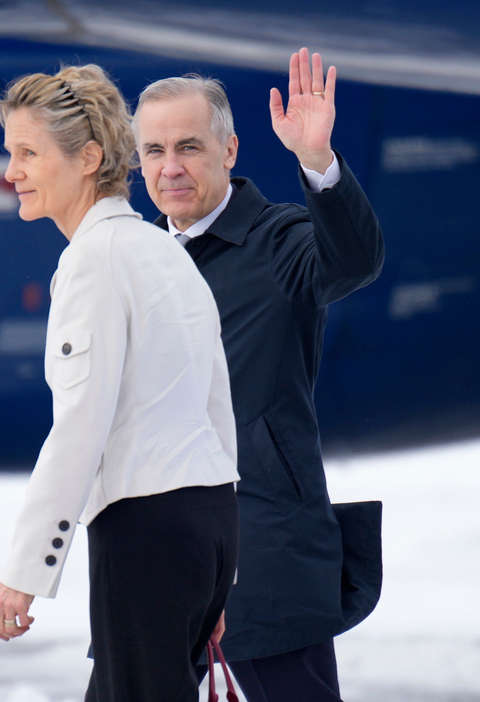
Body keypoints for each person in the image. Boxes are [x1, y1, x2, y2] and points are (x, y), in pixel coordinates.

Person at [0, 64, 240, 702]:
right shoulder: (162, 250)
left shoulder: (94, 262)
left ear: (88, 157)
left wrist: (24, 572)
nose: (12, 173)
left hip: (149, 528)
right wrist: (222, 568)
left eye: (28, 153)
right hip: (207, 518)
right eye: (11, 153)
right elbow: (216, 403)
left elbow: (81, 426)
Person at [133, 48, 385, 701]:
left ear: (230, 150)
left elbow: (351, 260)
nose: (171, 167)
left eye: (189, 146)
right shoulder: (137, 263)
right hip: (155, 553)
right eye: (154, 151)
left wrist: (317, 163)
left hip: (263, 547)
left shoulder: (278, 243)